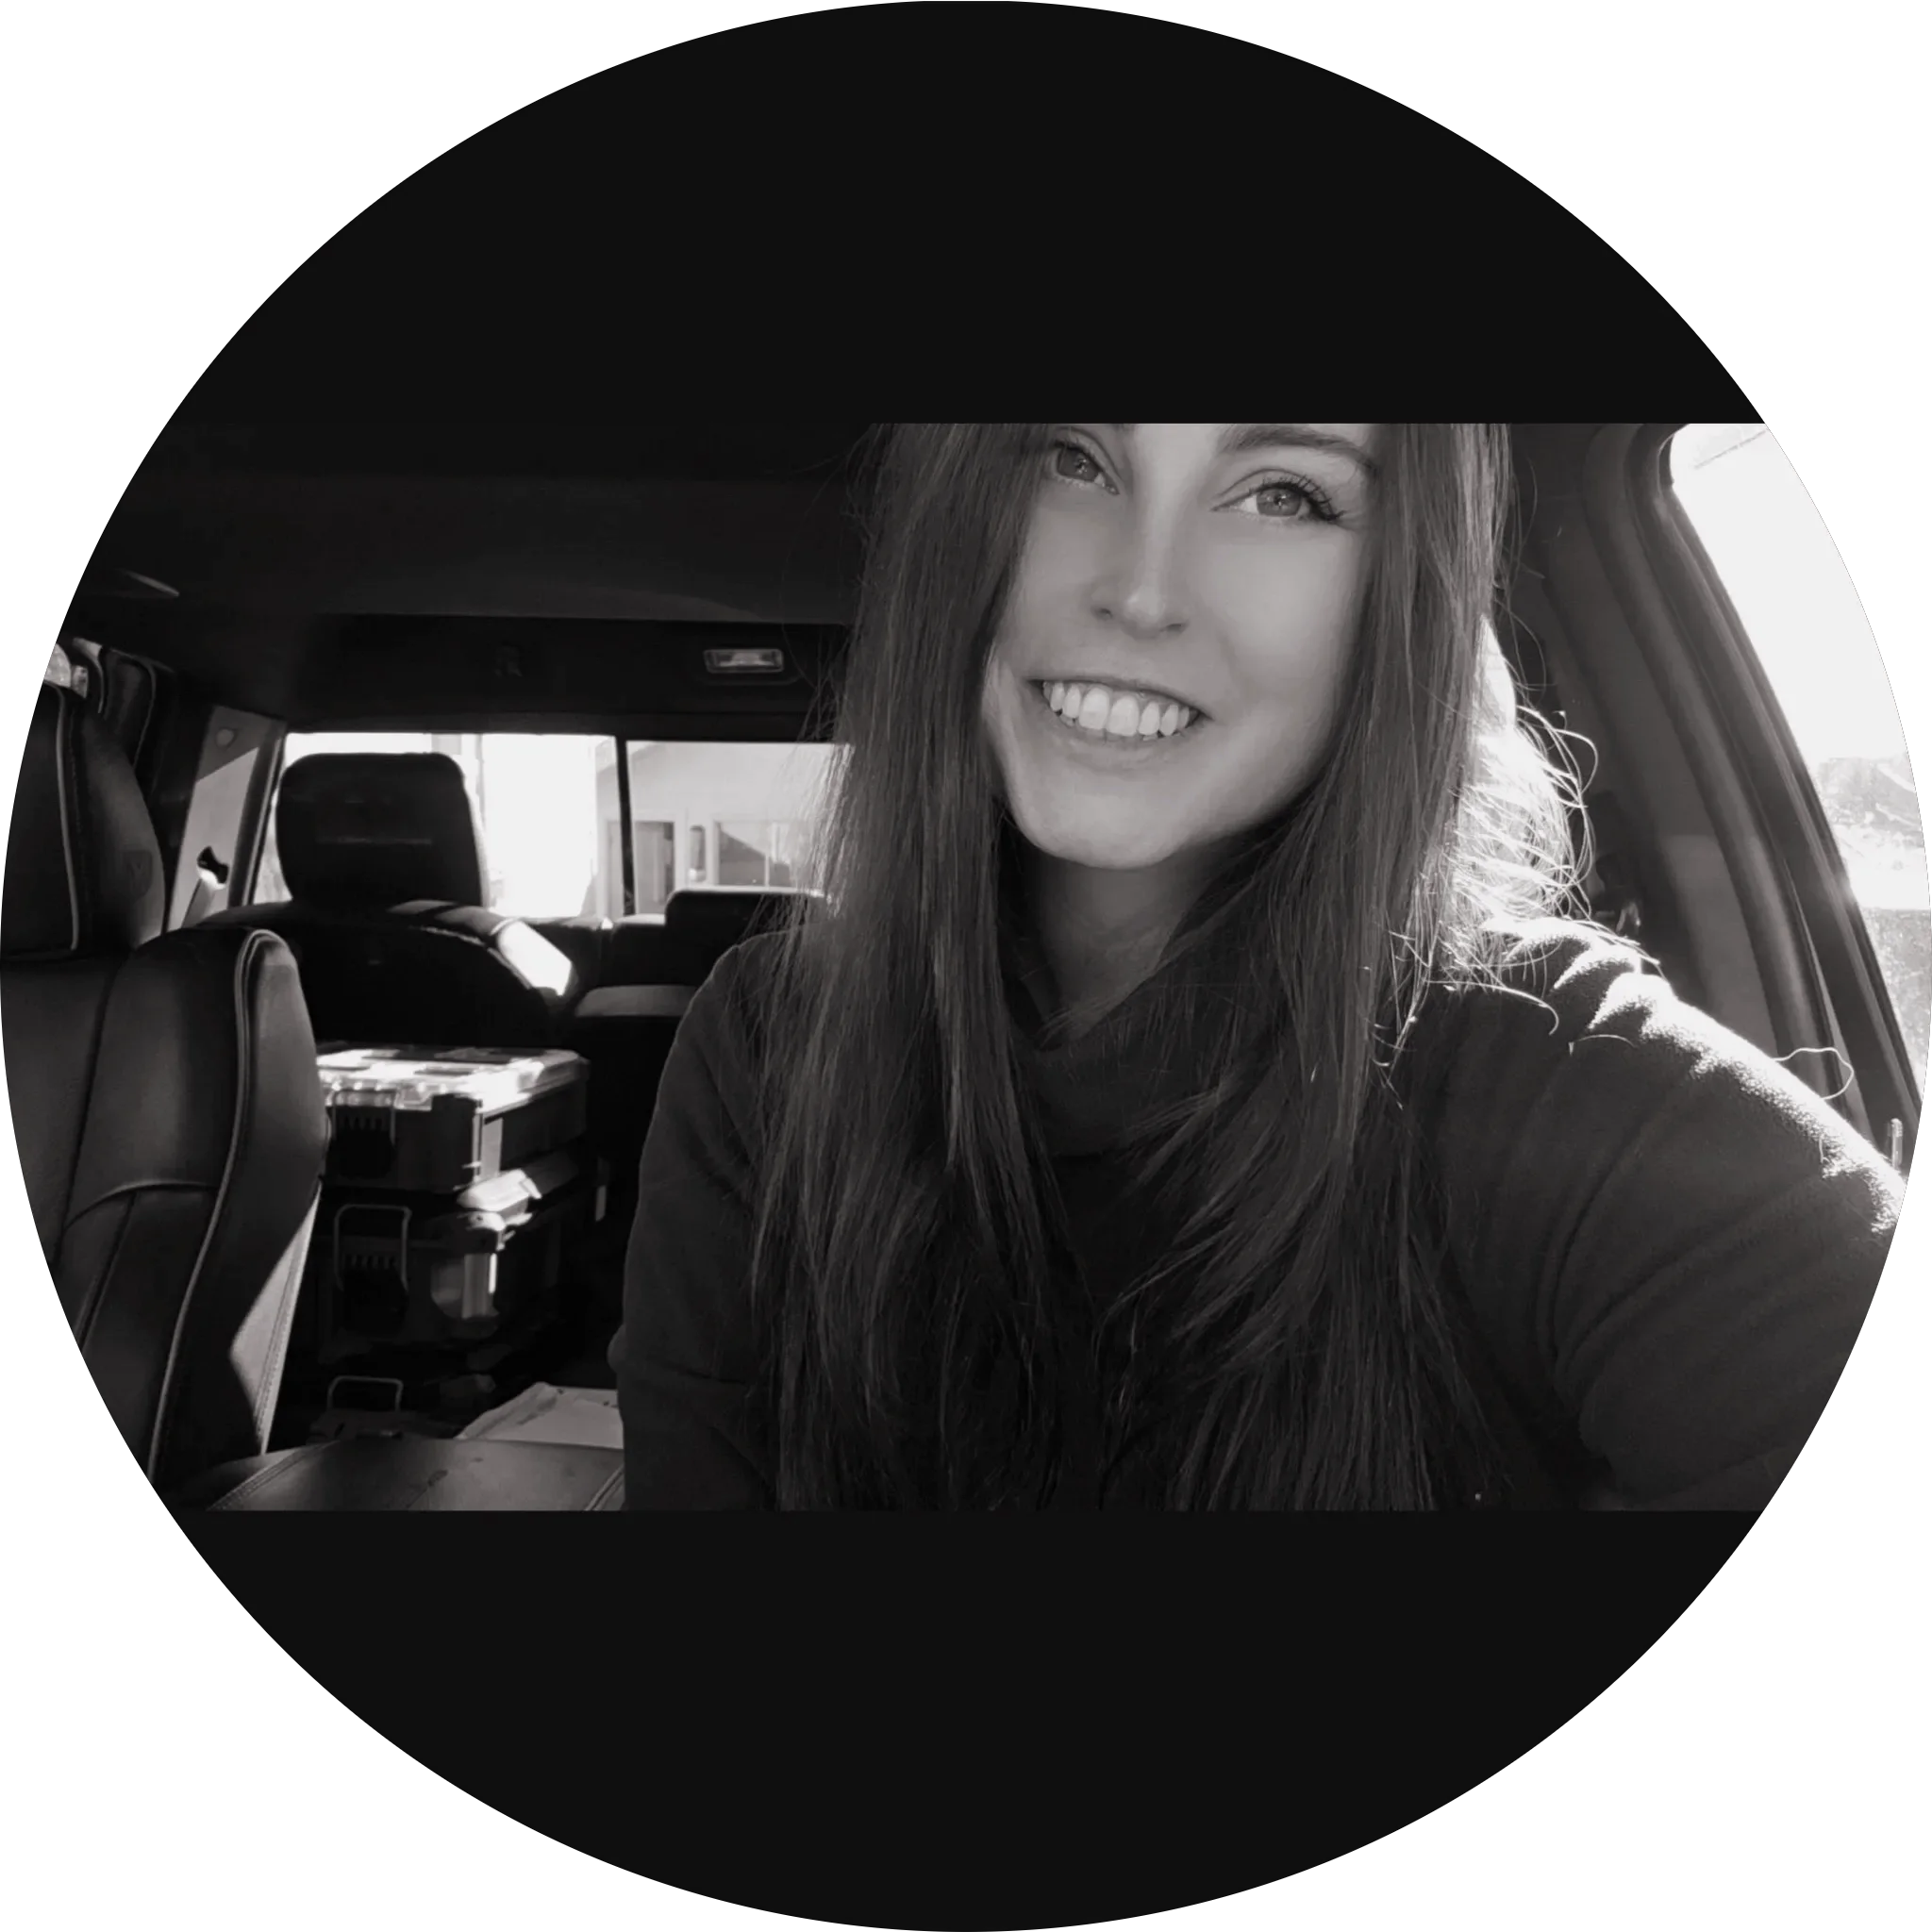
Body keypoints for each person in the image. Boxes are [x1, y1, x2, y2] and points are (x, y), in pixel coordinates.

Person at [608, 424, 1903, 1509]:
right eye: (1070, 456)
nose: (1141, 591)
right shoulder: (768, 1052)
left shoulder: (1576, 1098)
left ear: (1402, 595)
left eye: (1284, 493)